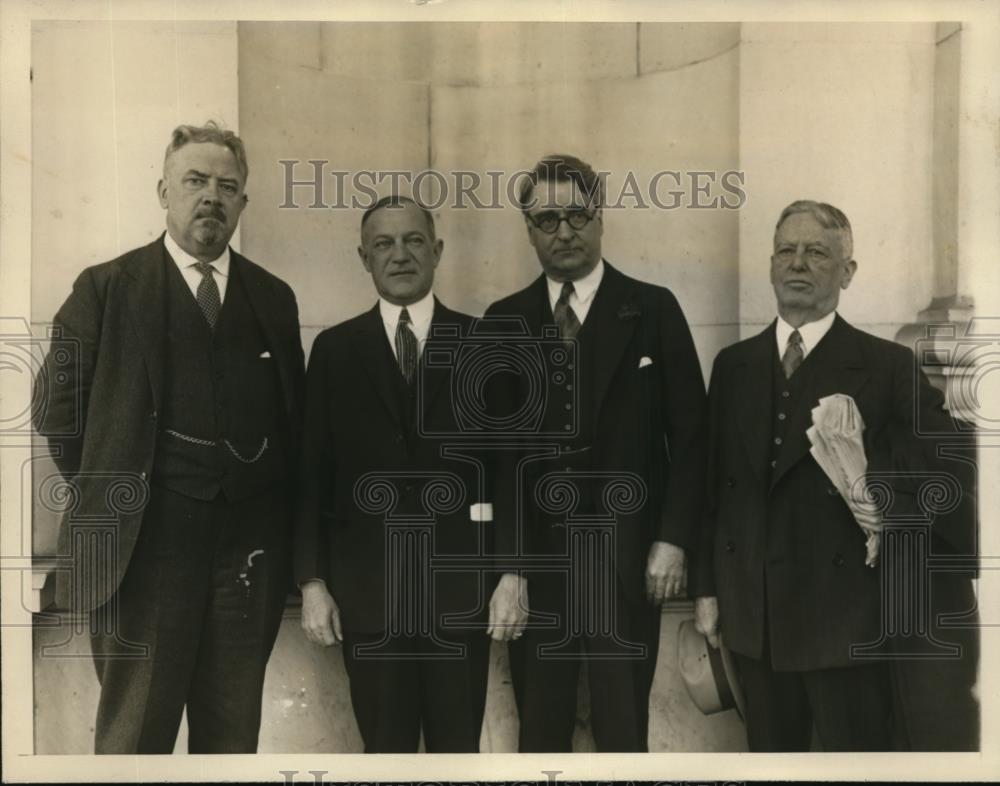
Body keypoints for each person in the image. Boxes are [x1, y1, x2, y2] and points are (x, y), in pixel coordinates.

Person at [32, 121, 305, 753]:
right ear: (163, 191)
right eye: (195, 181)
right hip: (141, 554)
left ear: (243, 202)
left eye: (227, 187)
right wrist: (114, 482)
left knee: (232, 741)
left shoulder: (273, 298)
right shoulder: (106, 288)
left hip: (246, 560)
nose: (211, 197)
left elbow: (291, 424)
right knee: (135, 742)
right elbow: (57, 410)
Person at [690, 199, 979, 751]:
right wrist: (706, 589)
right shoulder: (733, 365)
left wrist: (873, 486)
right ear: (771, 265)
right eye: (786, 251)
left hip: (847, 622)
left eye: (817, 253)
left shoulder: (887, 366)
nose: (798, 263)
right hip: (755, 620)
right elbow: (712, 490)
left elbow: (947, 476)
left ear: (847, 272)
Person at [483, 154, 708, 752]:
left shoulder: (653, 309)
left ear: (601, 219)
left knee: (623, 730)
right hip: (540, 566)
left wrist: (673, 539)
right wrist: (510, 568)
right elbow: (498, 462)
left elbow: (693, 438)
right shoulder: (504, 322)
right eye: (547, 219)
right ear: (529, 230)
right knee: (540, 732)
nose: (564, 231)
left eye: (577, 215)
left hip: (627, 558)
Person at [294, 195, 491, 753]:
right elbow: (311, 475)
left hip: (458, 598)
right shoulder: (334, 350)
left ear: (438, 251)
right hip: (369, 598)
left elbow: (506, 469)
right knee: (384, 756)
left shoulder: (483, 342)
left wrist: (510, 574)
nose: (399, 255)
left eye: (413, 241)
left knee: (459, 756)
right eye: (383, 244)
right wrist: (311, 581)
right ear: (364, 258)